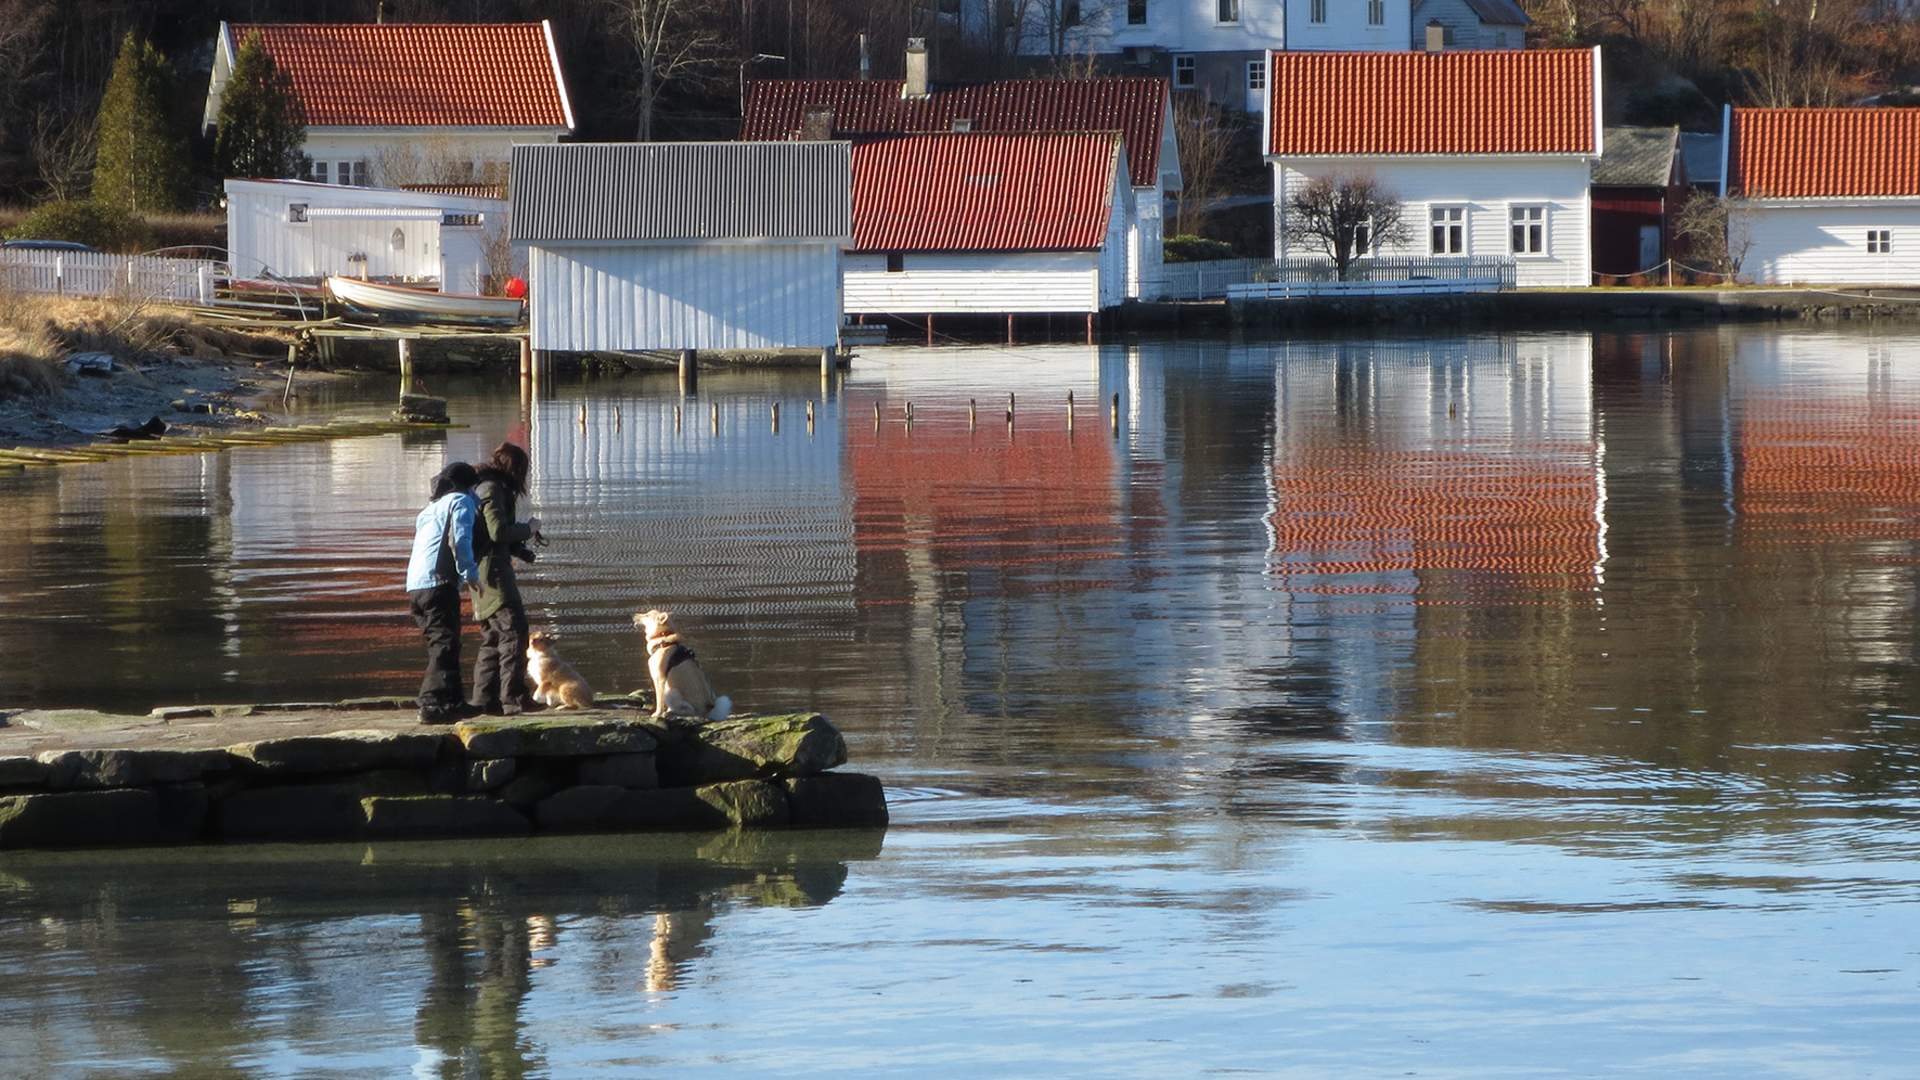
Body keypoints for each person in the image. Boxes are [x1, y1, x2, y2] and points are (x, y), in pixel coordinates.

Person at [469, 442, 544, 715]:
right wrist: (528, 528)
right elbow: (498, 532)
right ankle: (513, 699)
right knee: (515, 632)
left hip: (482, 574)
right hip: (493, 575)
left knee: (492, 637)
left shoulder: (487, 487)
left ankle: (483, 700)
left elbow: (491, 536)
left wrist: (522, 552)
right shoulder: (493, 490)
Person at [406, 461, 485, 724]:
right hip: (438, 583)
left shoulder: (429, 509)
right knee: (445, 644)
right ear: (468, 485)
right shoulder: (460, 501)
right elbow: (459, 540)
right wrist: (470, 574)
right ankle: (431, 705)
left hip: (415, 585)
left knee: (444, 643)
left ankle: (453, 702)